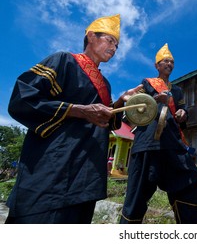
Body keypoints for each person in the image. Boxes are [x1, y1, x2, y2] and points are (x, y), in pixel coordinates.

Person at [5, 14, 143, 224]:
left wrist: (121, 102)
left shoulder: (105, 85)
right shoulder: (63, 60)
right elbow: (22, 98)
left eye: (117, 45)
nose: (114, 48)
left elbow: (107, 122)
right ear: (90, 37)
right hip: (52, 168)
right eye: (110, 40)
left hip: (85, 178)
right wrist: (79, 110)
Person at [120, 43, 197, 224]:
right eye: (165, 61)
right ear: (157, 65)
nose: (169, 64)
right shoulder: (147, 83)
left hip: (173, 143)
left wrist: (183, 114)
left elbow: (182, 111)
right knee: (137, 194)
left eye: (171, 62)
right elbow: (136, 105)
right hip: (148, 141)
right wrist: (156, 99)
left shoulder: (178, 90)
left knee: (190, 179)